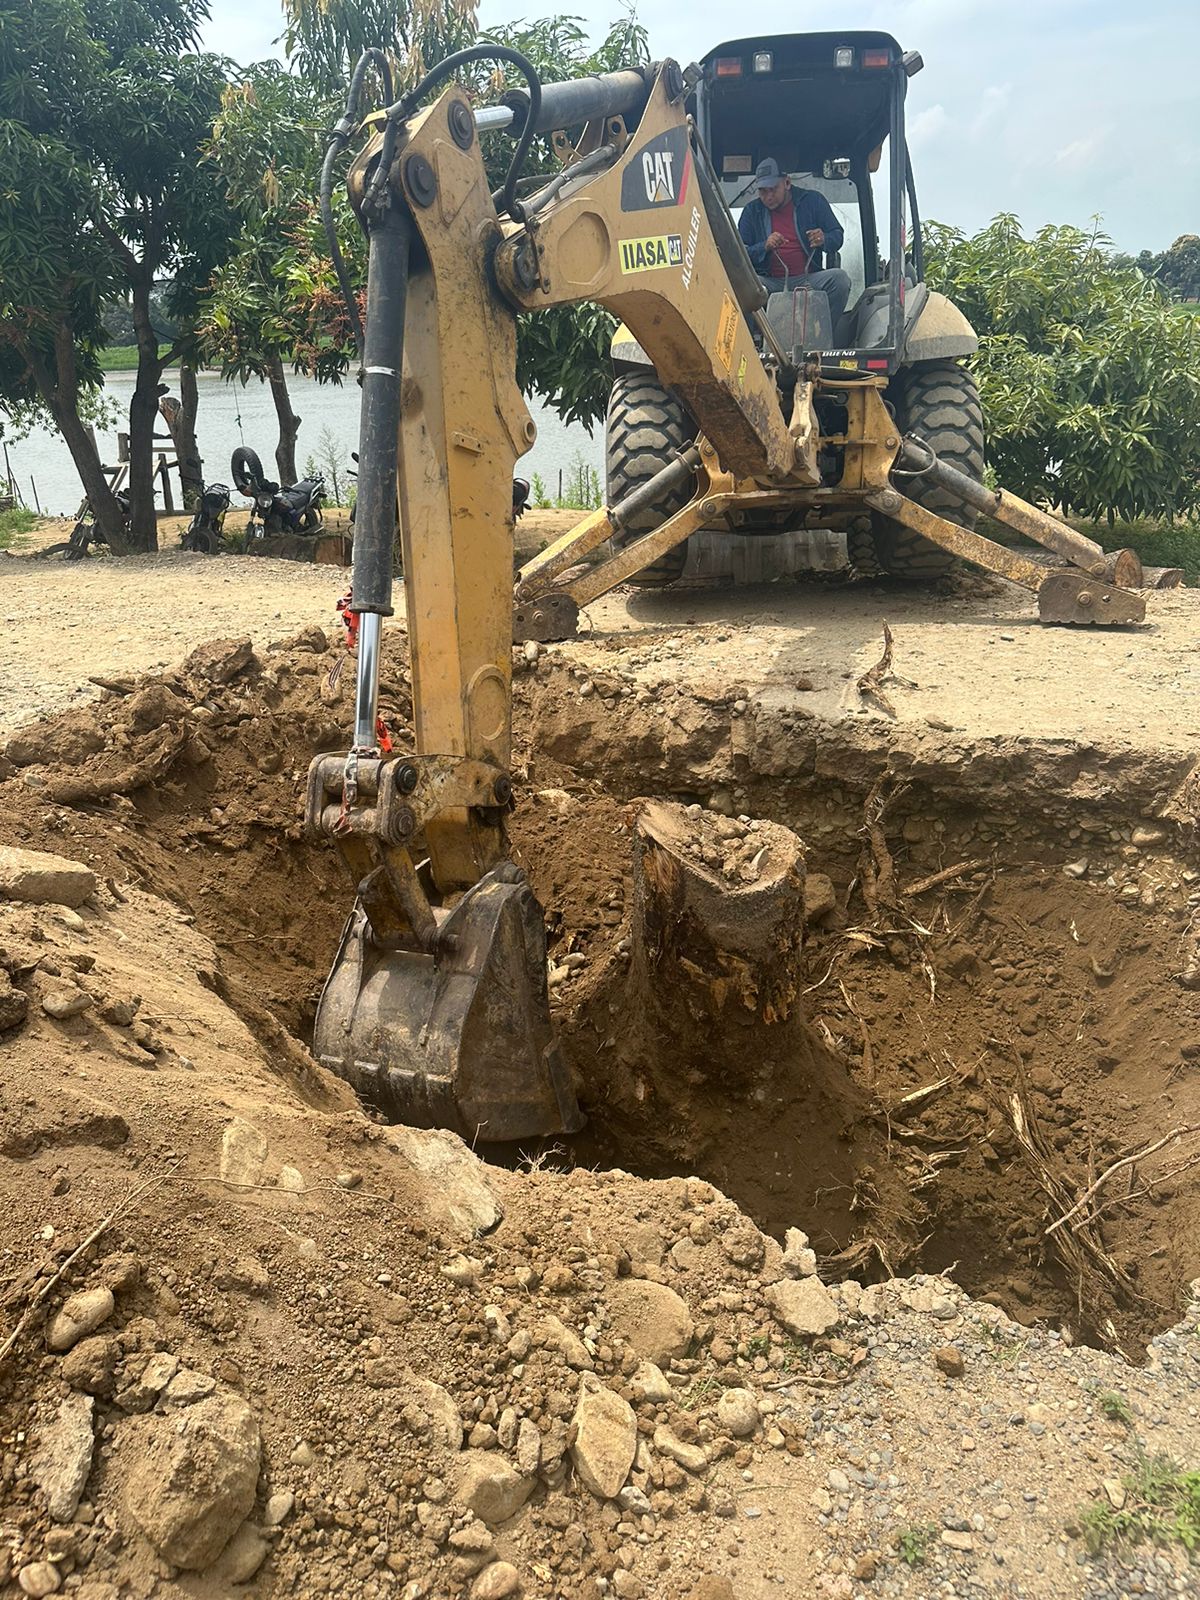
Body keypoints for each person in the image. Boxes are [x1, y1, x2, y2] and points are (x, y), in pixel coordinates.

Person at [737, 157, 852, 326]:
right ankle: (750, 338)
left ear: (787, 183)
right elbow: (740, 255)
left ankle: (822, 333)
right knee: (743, 285)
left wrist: (824, 239)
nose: (768, 197)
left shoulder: (813, 201)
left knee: (840, 280)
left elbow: (837, 235)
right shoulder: (751, 212)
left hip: (809, 279)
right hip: (770, 283)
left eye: (773, 189)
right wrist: (764, 246)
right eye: (762, 191)